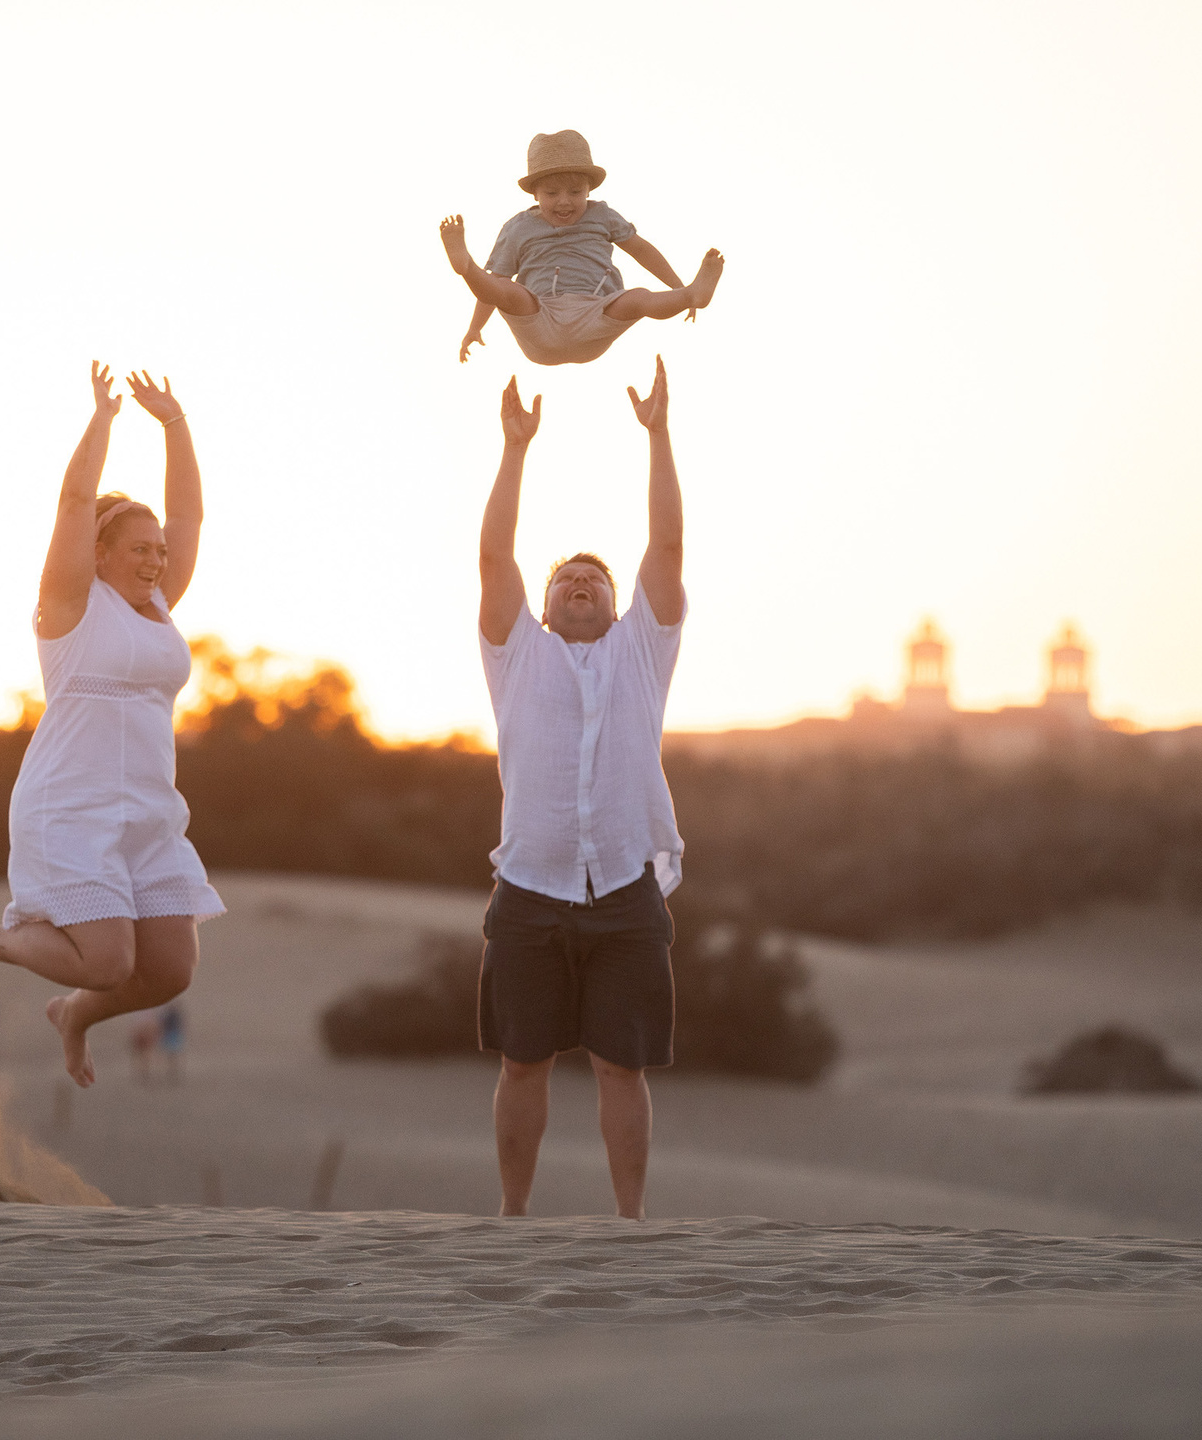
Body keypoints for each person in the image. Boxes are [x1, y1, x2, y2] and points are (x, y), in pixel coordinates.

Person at [0, 362, 224, 1087]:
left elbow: (188, 518)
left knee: (168, 972)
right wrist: (103, 418)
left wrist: (176, 424)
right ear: (99, 554)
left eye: (159, 552)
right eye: (140, 549)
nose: (158, 559)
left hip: (149, 814)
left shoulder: (157, 608)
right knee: (108, 960)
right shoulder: (68, 608)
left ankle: (74, 1014)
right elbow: (72, 501)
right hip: (70, 807)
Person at [473, 355, 687, 1219]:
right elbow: (494, 556)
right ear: (547, 605)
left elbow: (666, 547)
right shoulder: (515, 653)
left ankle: (630, 1221)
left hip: (626, 890)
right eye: (567, 580)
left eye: (595, 579)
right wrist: (514, 449)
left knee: (618, 1065)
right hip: (528, 890)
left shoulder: (644, 650)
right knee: (522, 1062)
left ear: (616, 601)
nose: (581, 585)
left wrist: (659, 433)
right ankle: (512, 1217)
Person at [440, 130, 723, 367]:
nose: (564, 201)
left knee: (638, 298)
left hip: (596, 314)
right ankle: (467, 267)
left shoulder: (602, 216)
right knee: (510, 293)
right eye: (552, 194)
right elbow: (498, 286)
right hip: (541, 319)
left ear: (589, 190)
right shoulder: (518, 228)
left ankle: (691, 295)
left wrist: (676, 286)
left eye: (575, 192)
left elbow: (641, 250)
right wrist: (475, 327)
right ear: (535, 194)